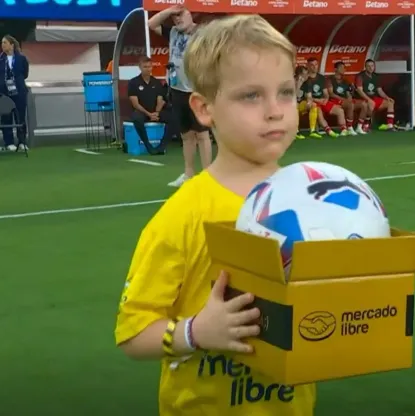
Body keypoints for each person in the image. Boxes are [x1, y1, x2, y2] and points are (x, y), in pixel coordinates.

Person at [115, 14, 316, 416]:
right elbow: (133, 332)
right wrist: (196, 332)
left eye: (285, 92)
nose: (275, 111)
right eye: (251, 96)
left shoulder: (314, 199)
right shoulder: (184, 214)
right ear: (204, 109)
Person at [149, 5, 212, 187]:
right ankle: (188, 173)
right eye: (174, 17)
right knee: (186, 135)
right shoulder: (173, 32)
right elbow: (151, 23)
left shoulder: (201, 33)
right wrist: (168, 11)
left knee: (202, 134)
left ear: (189, 14)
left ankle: (207, 176)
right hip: (177, 90)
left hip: (196, 91)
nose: (177, 20)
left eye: (180, 15)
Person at [0, 34, 29, 152]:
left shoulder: (21, 58)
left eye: (5, 42)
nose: (2, 45)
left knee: (20, 116)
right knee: (6, 117)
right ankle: (9, 142)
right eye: (2, 43)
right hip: (4, 91)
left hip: (19, 90)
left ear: (12, 45)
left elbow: (25, 73)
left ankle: (22, 142)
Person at [127, 56, 169, 155]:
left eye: (150, 66)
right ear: (140, 67)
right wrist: (149, 114)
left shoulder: (156, 82)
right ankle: (148, 145)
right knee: (137, 118)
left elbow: (160, 100)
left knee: (174, 118)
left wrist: (157, 113)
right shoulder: (133, 82)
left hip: (155, 112)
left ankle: (161, 146)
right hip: (142, 112)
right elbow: (135, 104)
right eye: (145, 67)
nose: (148, 69)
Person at [302, 58, 343, 137]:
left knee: (339, 110)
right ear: (308, 66)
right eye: (312, 65)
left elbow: (326, 93)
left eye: (316, 65)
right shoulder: (305, 79)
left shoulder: (321, 78)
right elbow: (306, 96)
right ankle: (328, 130)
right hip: (312, 102)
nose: (314, 67)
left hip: (322, 100)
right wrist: (318, 100)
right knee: (318, 111)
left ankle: (344, 129)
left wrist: (326, 99)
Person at [355, 59, 395, 131]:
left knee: (390, 103)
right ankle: (366, 125)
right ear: (365, 67)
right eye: (368, 66)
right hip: (363, 99)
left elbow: (379, 90)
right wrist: (369, 100)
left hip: (374, 98)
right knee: (370, 104)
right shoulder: (360, 76)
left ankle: (390, 126)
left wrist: (387, 97)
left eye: (372, 66)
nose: (371, 68)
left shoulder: (376, 76)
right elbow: (359, 91)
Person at [327, 61, 363, 135]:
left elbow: (348, 93)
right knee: (350, 104)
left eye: (344, 68)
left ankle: (360, 127)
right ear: (335, 69)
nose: (344, 69)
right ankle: (349, 127)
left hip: (344, 101)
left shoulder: (345, 80)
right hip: (334, 100)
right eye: (341, 68)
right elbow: (331, 94)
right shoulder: (329, 79)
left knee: (364, 104)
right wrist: (344, 100)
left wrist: (351, 93)